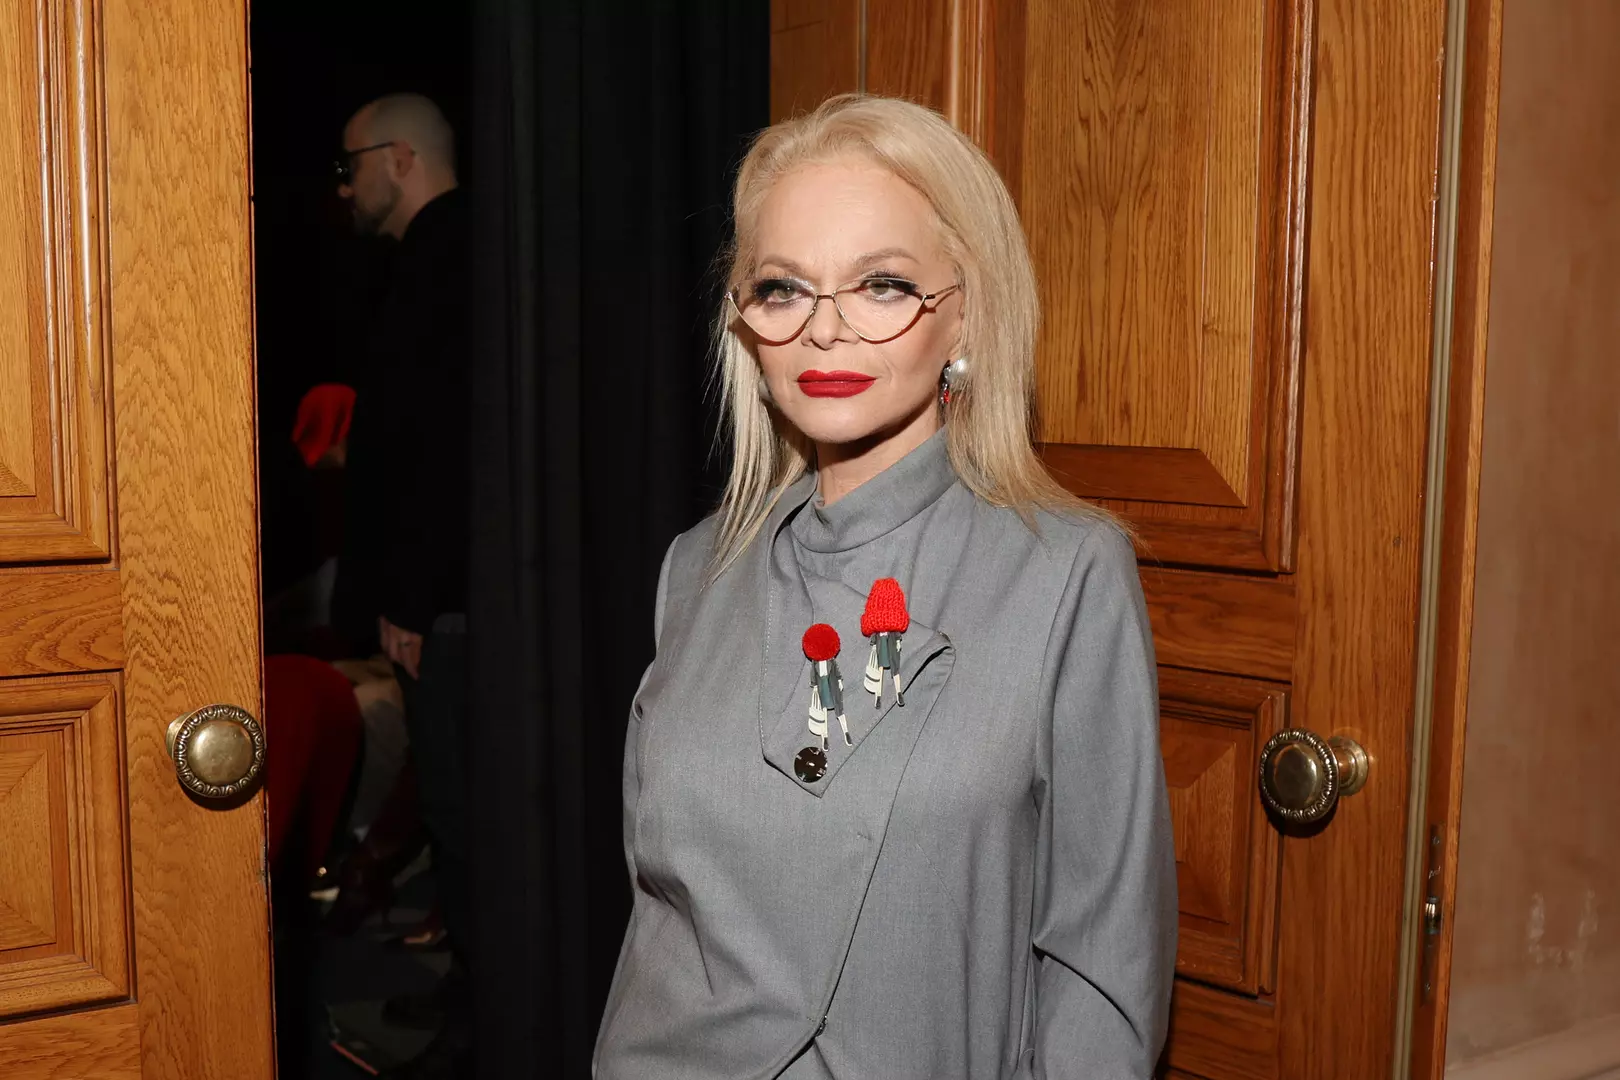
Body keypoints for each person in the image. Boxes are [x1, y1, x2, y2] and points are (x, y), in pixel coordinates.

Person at [593, 94, 1178, 1078]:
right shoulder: (697, 569)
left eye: (882, 285)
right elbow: (661, 923)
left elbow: (1105, 971)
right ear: (745, 323)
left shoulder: (1065, 575)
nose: (825, 332)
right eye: (783, 288)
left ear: (967, 312)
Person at [330, 91, 472, 1078]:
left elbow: (443, 450)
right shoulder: (441, 257)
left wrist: (413, 603)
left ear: (399, 159)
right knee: (453, 808)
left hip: (446, 604)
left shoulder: (447, 260)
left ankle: (477, 1031)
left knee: (462, 812)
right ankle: (468, 999)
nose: (343, 189)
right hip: (443, 595)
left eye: (350, 168)